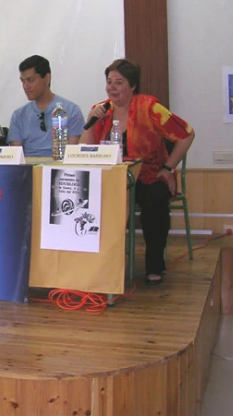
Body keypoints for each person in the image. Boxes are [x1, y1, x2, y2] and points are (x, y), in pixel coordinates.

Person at [80, 59, 195, 285]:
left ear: (132, 86)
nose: (111, 88)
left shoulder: (150, 107)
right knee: (87, 200)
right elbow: (85, 149)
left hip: (148, 176)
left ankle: (154, 265)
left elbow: (187, 134)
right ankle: (99, 263)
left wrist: (167, 168)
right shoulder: (102, 110)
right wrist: (91, 121)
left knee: (154, 200)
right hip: (113, 179)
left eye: (118, 83)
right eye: (109, 82)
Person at [8, 55, 85, 157]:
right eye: (23, 81)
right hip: (29, 169)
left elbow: (73, 154)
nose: (25, 86)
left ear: (47, 78)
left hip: (59, 167)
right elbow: (16, 157)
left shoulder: (71, 111)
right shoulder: (18, 115)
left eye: (30, 80)